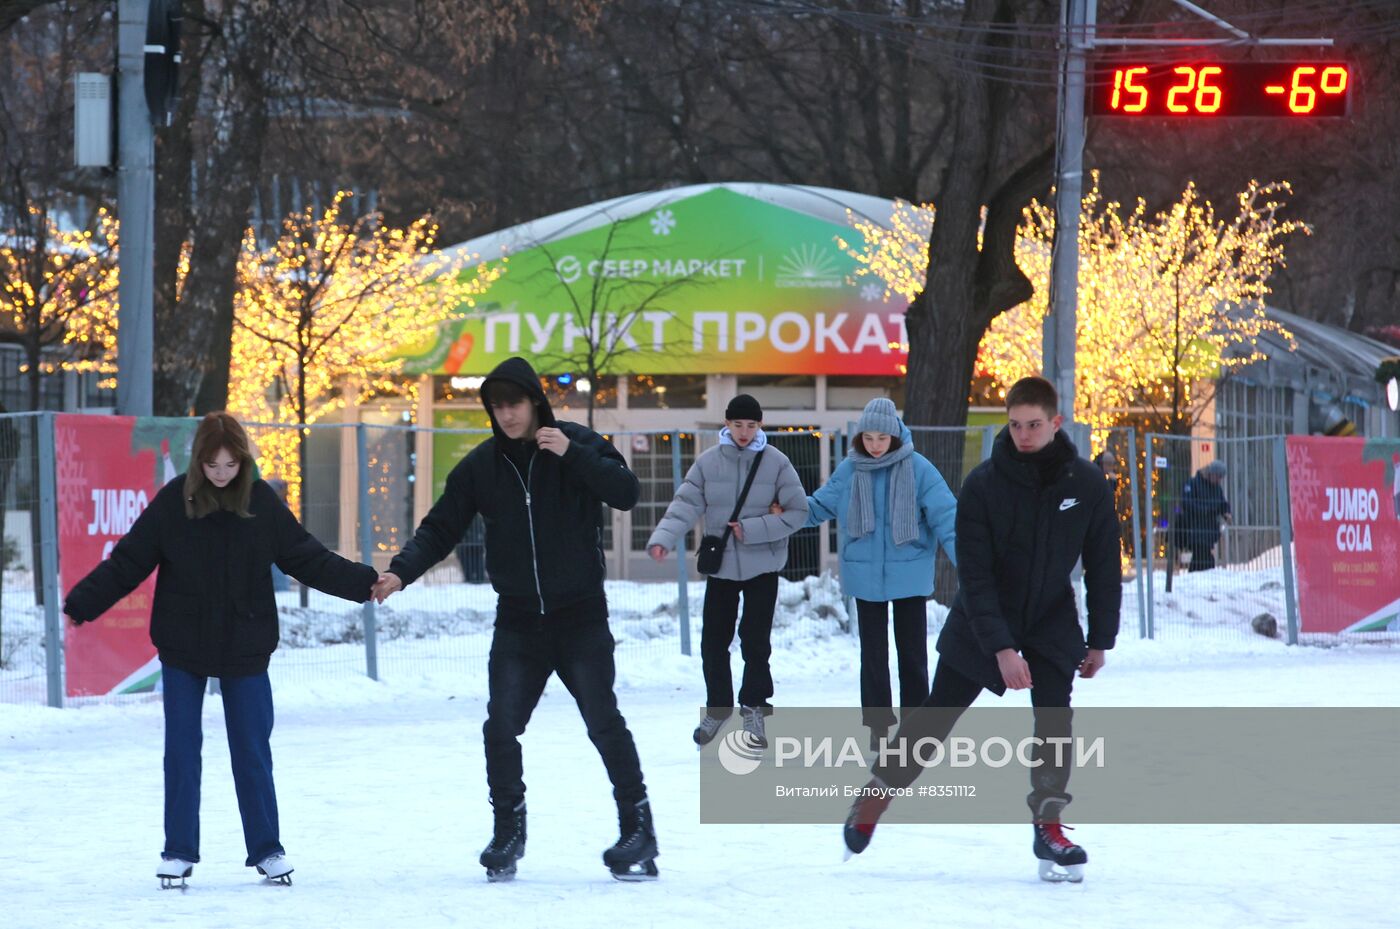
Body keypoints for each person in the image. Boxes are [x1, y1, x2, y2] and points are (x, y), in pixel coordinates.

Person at [370, 357, 658, 883]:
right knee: (500, 725)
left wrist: (571, 454)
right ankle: (508, 830)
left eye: (515, 404)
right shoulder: (481, 467)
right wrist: (400, 573)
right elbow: (440, 528)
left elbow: (625, 493)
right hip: (520, 621)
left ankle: (638, 827)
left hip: (580, 616)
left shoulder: (575, 442)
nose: (506, 415)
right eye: (497, 406)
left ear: (535, 402)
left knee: (602, 719)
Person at [63, 412, 377, 889]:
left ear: (243, 460)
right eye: (213, 465)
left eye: (231, 464)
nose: (222, 473)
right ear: (199, 462)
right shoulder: (175, 503)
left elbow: (306, 557)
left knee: (251, 748)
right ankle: (178, 850)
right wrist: (83, 601)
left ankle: (268, 849)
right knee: (181, 750)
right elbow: (129, 559)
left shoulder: (261, 503)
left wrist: (365, 582)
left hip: (246, 643)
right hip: (183, 643)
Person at [842, 376, 1121, 884]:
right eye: (1015, 425)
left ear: (1056, 423)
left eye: (1034, 425)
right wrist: (1002, 648)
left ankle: (1050, 825)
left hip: (1051, 620)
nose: (1024, 434)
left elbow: (1103, 563)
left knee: (1055, 723)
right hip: (983, 619)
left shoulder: (1086, 484)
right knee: (934, 721)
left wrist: (1101, 638)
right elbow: (975, 576)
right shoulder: (984, 484)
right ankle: (878, 792)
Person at [646, 393, 809, 750]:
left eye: (751, 425)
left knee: (755, 642)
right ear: (727, 424)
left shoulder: (777, 463)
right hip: (721, 569)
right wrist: (663, 539)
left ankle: (754, 709)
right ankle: (718, 708)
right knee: (713, 643)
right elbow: (685, 505)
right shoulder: (708, 463)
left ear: (760, 425)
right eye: (738, 425)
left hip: (762, 566)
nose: (744, 432)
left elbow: (799, 513)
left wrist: (752, 529)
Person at [802, 398, 957, 752]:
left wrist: (972, 564)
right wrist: (785, 509)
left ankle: (917, 727)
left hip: (910, 577)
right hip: (864, 578)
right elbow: (820, 506)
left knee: (912, 654)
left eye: (881, 438)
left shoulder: (919, 469)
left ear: (895, 436)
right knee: (872, 656)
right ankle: (877, 726)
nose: (874, 445)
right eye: (868, 438)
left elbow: (947, 518)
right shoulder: (850, 469)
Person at [1176, 459, 1231, 572]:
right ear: (1211, 473)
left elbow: (1222, 503)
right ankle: (1201, 577)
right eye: (1218, 477)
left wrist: (1226, 512)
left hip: (1209, 529)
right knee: (1203, 556)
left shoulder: (1216, 488)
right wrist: (1204, 510)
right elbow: (1186, 502)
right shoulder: (1193, 483)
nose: (1219, 480)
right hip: (1195, 527)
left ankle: (1197, 578)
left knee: (1202, 557)